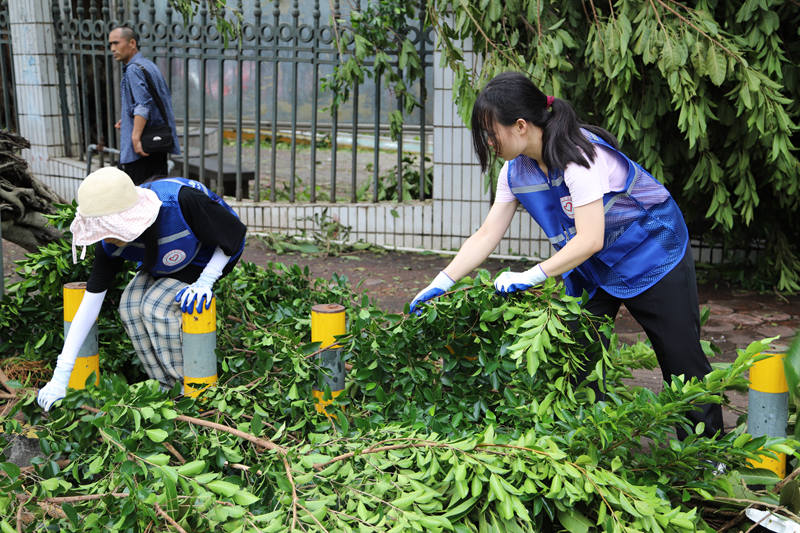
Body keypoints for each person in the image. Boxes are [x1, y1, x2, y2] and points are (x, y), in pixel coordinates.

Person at [409, 71, 723, 439]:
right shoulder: (515, 172)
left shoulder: (579, 157)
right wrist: (442, 281)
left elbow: (590, 238)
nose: (488, 142)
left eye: (491, 132)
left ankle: (707, 458)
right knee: (577, 358)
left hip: (651, 252)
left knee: (681, 360)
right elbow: (486, 234)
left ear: (521, 126)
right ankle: (591, 446)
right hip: (590, 267)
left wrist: (532, 275)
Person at [37, 167, 246, 411]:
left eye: (111, 227)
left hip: (208, 257)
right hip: (162, 259)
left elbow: (233, 234)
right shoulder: (109, 244)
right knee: (130, 306)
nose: (106, 236)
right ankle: (164, 386)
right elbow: (91, 302)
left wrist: (206, 281)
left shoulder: (181, 201)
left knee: (156, 306)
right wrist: (60, 376)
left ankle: (191, 391)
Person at [109, 26, 180, 185]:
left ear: (132, 43)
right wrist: (129, 120)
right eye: (110, 44)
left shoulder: (134, 70)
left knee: (139, 199)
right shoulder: (148, 65)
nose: (113, 49)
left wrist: (135, 137)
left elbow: (143, 105)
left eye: (116, 43)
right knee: (156, 194)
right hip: (157, 145)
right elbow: (155, 101)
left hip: (141, 150)